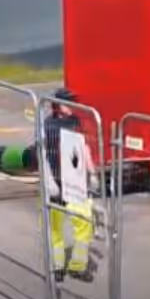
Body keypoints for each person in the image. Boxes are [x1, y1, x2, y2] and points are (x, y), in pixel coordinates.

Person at [42, 88, 96, 283]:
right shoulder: (48, 126)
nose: (72, 106)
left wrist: (92, 172)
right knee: (55, 228)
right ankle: (57, 267)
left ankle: (77, 266)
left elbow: (84, 148)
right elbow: (42, 154)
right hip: (56, 181)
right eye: (68, 103)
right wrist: (49, 180)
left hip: (76, 183)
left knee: (83, 225)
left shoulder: (75, 123)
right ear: (57, 106)